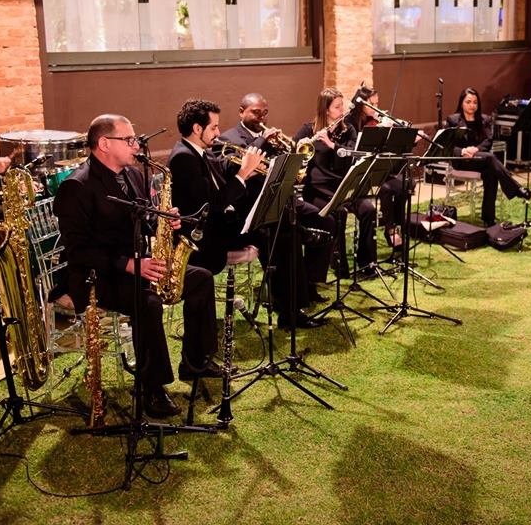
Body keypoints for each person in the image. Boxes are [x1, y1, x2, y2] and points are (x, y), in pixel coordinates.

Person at [54, 114, 221, 419]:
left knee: (201, 278)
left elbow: (143, 218)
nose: (136, 145)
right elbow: (77, 251)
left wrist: (163, 219)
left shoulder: (131, 174)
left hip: (137, 264)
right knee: (149, 302)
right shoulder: (76, 186)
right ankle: (152, 388)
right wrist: (129, 264)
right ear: (104, 144)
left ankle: (197, 361)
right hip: (97, 277)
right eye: (129, 140)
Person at [221, 92, 335, 318]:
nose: (261, 117)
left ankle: (309, 282)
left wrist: (288, 152)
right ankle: (290, 307)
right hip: (255, 207)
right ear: (241, 112)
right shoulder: (229, 138)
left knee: (326, 220)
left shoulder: (269, 138)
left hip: (282, 199)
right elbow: (235, 171)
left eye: (264, 113)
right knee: (288, 235)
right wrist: (263, 140)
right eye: (255, 112)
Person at [168, 99, 264, 275]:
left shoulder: (202, 152)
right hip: (206, 237)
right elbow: (212, 205)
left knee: (275, 227)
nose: (218, 133)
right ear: (197, 129)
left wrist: (249, 172)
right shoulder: (184, 158)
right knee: (271, 233)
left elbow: (220, 188)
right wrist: (243, 172)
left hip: (221, 224)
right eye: (213, 128)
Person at [296, 88, 378, 277]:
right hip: (318, 190)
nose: (343, 110)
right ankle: (339, 265)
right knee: (339, 213)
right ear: (326, 110)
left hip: (343, 185)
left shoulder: (348, 130)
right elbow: (294, 152)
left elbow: (352, 157)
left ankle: (367, 263)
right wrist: (301, 146)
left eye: (342, 105)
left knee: (368, 209)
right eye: (337, 107)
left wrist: (331, 144)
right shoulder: (308, 129)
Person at [445, 87, 531, 226]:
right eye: (468, 102)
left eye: (475, 102)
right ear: (461, 103)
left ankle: (488, 219)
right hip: (462, 160)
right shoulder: (453, 120)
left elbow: (488, 140)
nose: (472, 105)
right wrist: (463, 151)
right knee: (491, 158)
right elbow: (447, 145)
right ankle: (517, 189)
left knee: (491, 173)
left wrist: (475, 150)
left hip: (480, 159)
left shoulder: (484, 119)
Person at [344, 85, 408, 248]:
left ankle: (399, 226)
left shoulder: (376, 119)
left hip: (379, 169)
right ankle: (390, 229)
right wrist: (377, 130)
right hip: (361, 172)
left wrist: (396, 132)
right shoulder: (350, 122)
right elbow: (355, 148)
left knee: (404, 184)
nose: (376, 108)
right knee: (386, 189)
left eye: (377, 104)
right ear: (361, 104)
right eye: (372, 104)